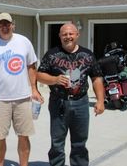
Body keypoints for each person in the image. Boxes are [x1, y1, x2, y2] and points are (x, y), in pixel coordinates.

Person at [0, 12, 44, 166]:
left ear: (13, 25)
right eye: (1, 24)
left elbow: (31, 66)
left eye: (7, 24)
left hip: (22, 98)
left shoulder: (24, 41)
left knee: (24, 135)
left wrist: (34, 89)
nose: (5, 27)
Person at [37, 23, 105, 166]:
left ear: (77, 35)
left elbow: (97, 78)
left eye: (71, 34)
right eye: (64, 34)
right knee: (57, 143)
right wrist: (55, 79)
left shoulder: (87, 54)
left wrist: (100, 101)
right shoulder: (52, 54)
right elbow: (39, 75)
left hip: (81, 102)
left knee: (80, 143)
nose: (68, 37)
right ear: (60, 36)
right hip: (58, 103)